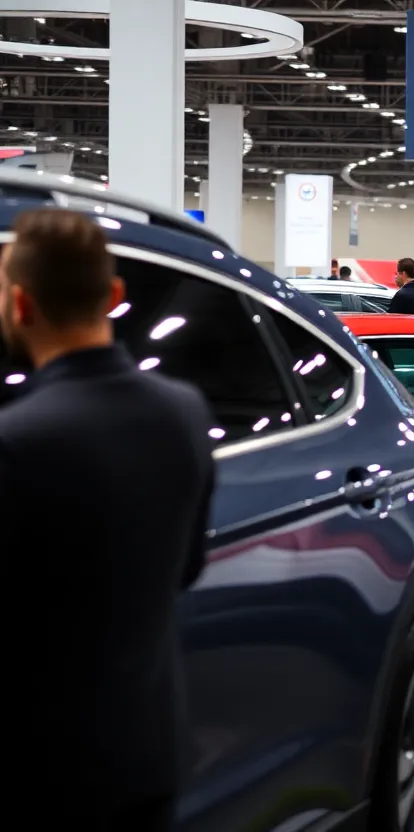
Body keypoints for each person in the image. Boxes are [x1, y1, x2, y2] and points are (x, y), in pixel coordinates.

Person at [0, 209, 214, 829]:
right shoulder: (185, 411)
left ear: (20, 305)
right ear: (114, 296)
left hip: (41, 771)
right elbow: (187, 566)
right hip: (151, 751)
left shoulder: (18, 438)